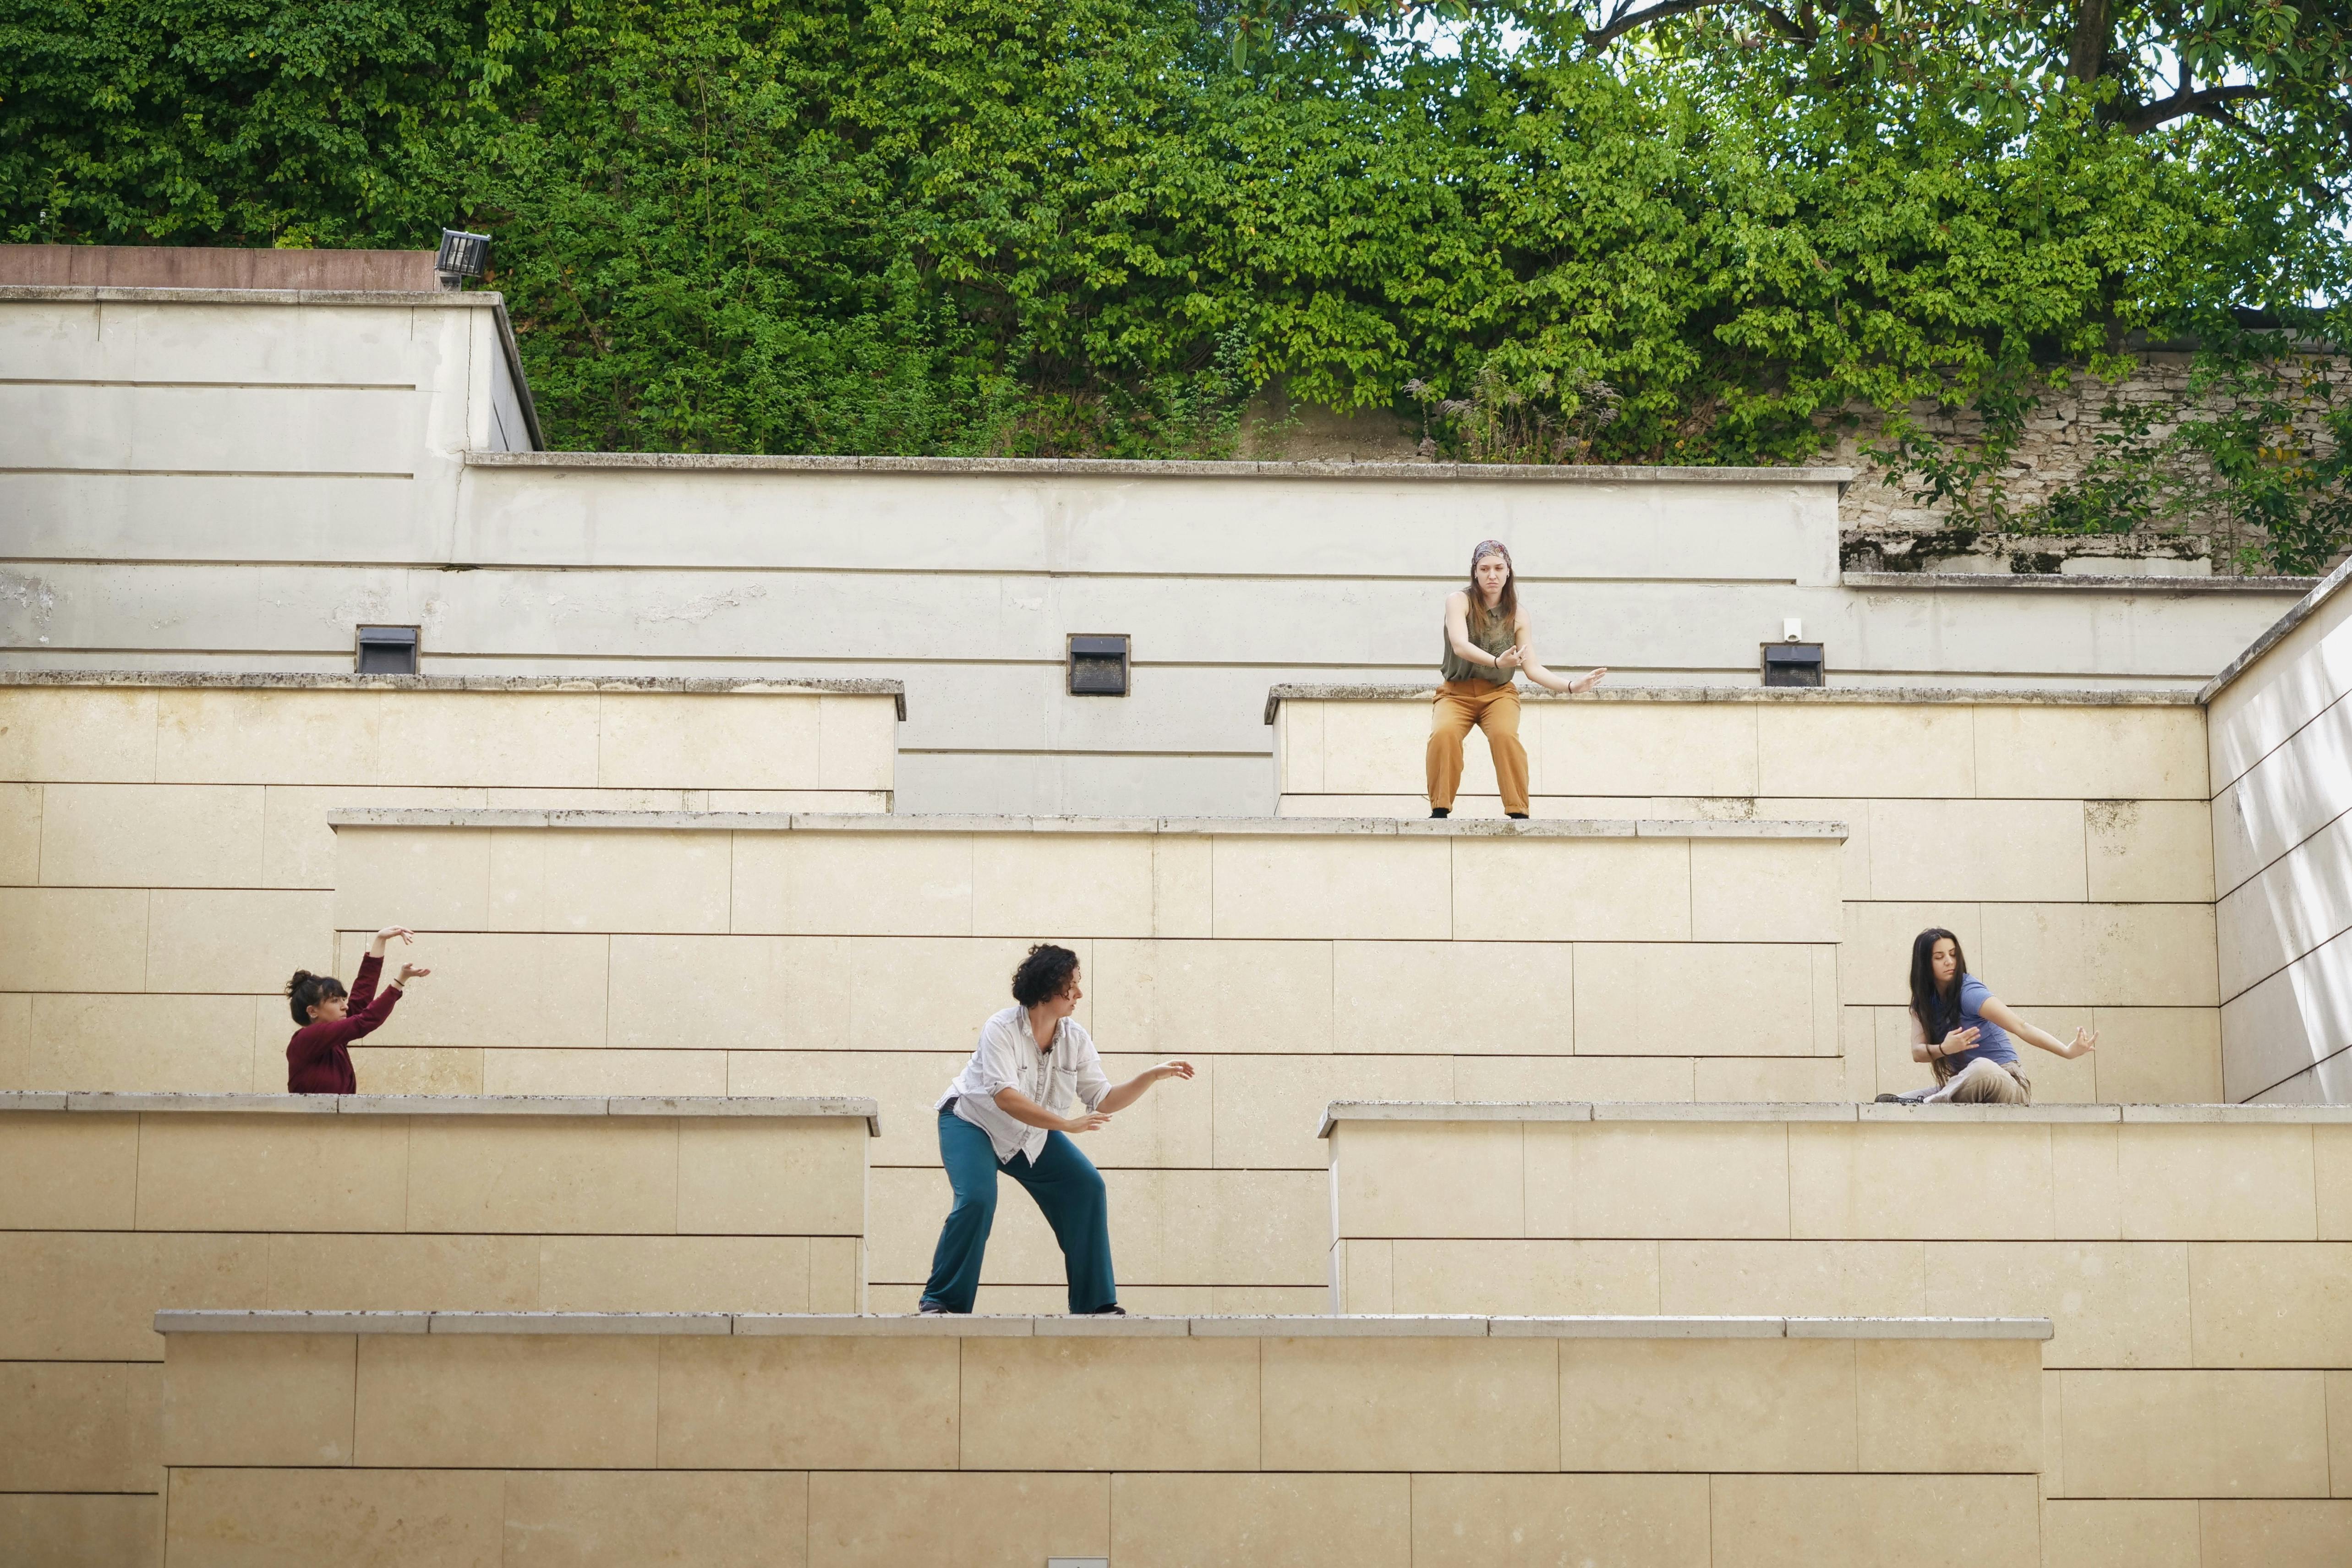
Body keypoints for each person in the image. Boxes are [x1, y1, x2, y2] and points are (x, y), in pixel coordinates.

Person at [919, 944, 1194, 1316]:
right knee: (977, 1200)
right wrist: (1066, 1124)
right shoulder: (1001, 1028)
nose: (1079, 994)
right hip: (972, 1122)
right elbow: (1005, 1098)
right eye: (1072, 985)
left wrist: (1151, 1075)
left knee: (1086, 1186)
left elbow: (1103, 1098)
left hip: (1029, 1134)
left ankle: (1095, 1304)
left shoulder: (1075, 1038)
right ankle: (942, 1302)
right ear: (1048, 987)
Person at [1428, 539, 1606, 820]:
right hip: (1455, 692)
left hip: (1498, 694)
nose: (1492, 575)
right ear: (1475, 572)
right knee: (1443, 734)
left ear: (1509, 571)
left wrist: (1571, 686)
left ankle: (1518, 811)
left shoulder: (1519, 615)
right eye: (1485, 568)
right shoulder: (1458, 601)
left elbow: (1533, 668)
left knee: (1505, 736)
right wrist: (1499, 661)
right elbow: (1460, 645)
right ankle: (1440, 809)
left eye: (1499, 568)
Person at [1881, 928, 2095, 1104]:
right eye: (1939, 957)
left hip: (2007, 1082)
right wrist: (1945, 1049)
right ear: (1925, 965)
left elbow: (2021, 1027)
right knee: (1889, 1102)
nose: (1949, 961)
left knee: (1981, 1067)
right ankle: (1928, 1103)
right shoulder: (1922, 1004)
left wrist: (2068, 1051)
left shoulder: (1969, 991)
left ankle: (1929, 1105)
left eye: (1953, 954)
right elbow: (1918, 1053)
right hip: (1964, 1084)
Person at [286, 927, 429, 1094]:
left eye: (343, 1000)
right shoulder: (306, 1039)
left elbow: (361, 998)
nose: (344, 1006)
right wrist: (398, 982)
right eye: (335, 1001)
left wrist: (380, 940)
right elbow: (364, 1021)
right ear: (312, 1011)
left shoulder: (334, 1043)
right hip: (315, 1121)